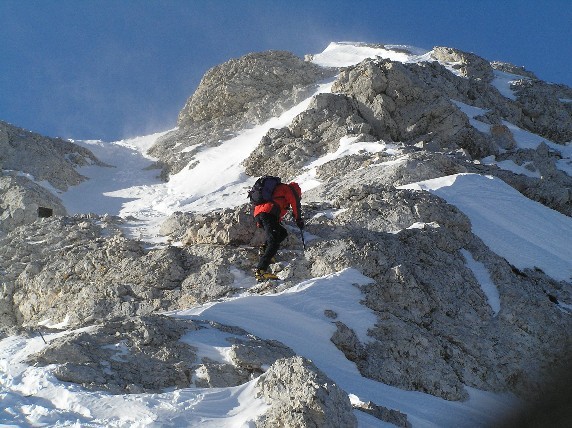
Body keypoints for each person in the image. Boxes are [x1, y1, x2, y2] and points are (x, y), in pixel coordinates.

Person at [253, 181, 304, 281]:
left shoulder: (277, 190)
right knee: (274, 241)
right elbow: (295, 203)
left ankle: (264, 249)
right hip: (267, 213)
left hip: (261, 214)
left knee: (282, 232)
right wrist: (298, 219)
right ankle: (261, 271)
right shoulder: (289, 189)